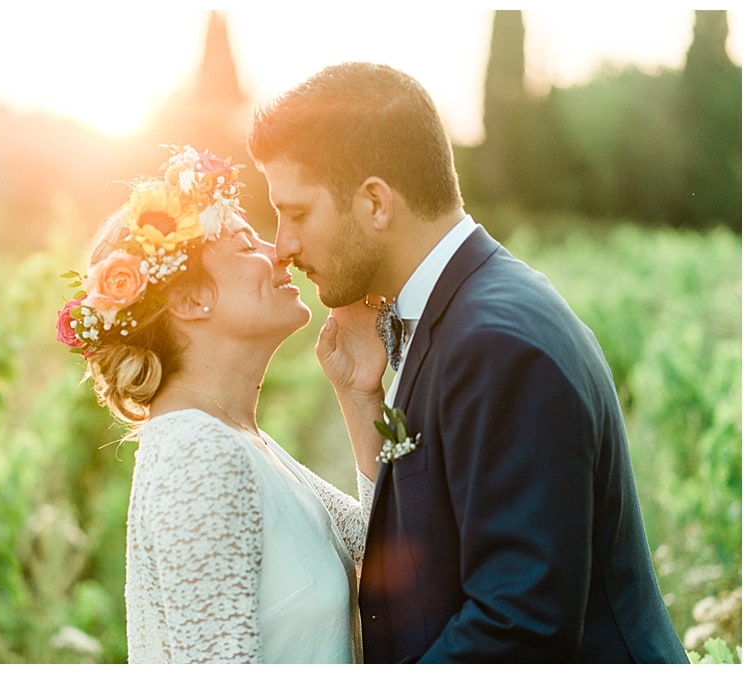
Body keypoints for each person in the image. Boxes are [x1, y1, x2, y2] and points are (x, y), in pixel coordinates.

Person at [246, 61, 689, 663]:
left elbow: (518, 627)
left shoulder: (498, 343)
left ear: (376, 203)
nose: (285, 245)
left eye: (296, 213)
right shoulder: (459, 313)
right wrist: (363, 401)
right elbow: (437, 552)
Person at [54, 145, 385, 664]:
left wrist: (359, 393)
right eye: (244, 246)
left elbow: (380, 545)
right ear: (188, 301)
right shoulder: (197, 454)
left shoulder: (239, 440)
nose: (280, 251)